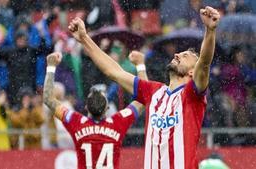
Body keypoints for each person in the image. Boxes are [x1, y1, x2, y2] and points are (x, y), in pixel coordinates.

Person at [68, 6, 220, 169]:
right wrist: (84, 38)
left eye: (185, 56)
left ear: (192, 71)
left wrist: (210, 31)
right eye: (179, 53)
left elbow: (204, 63)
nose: (176, 55)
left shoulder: (192, 94)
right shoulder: (154, 91)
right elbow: (113, 71)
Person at [43, 51, 147, 169]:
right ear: (107, 109)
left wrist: (51, 67)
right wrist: (140, 65)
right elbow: (143, 99)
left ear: (86, 107)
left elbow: (48, 99)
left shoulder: (76, 122)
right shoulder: (118, 123)